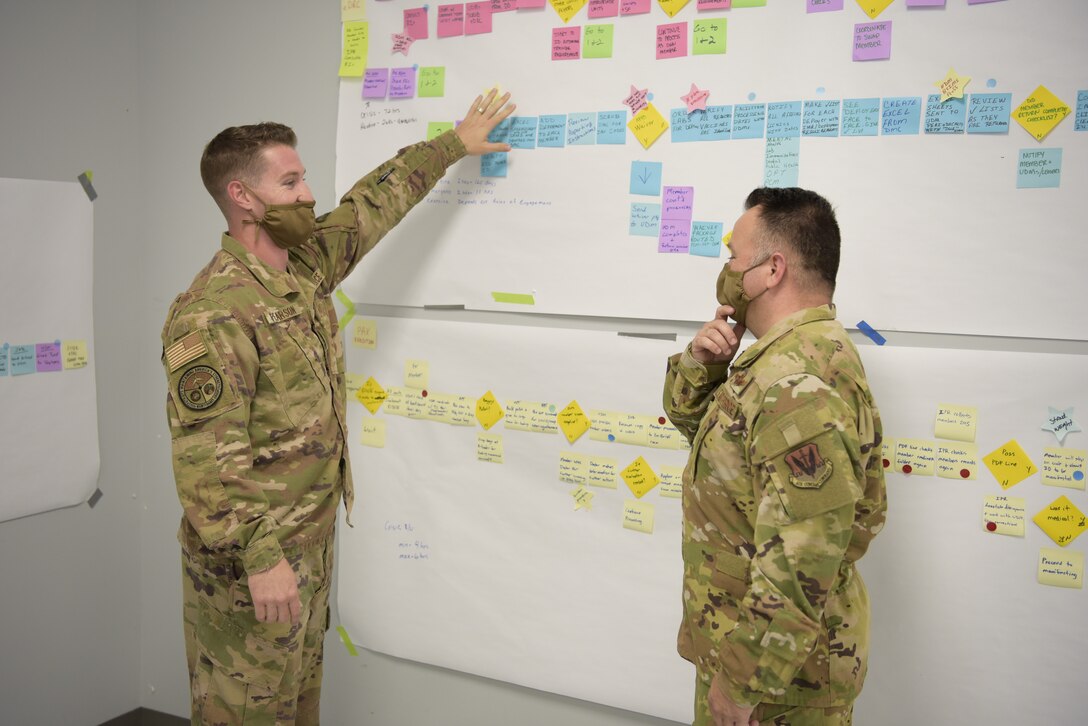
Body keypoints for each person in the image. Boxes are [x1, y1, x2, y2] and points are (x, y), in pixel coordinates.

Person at [161, 89, 515, 725]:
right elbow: (207, 463)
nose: (306, 194)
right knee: (243, 713)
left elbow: (368, 207)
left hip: (306, 549)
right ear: (243, 196)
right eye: (290, 181)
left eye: (304, 179)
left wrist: (452, 145)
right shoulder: (215, 310)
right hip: (253, 566)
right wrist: (262, 558)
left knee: (296, 708)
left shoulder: (301, 269)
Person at [663, 187, 887, 726]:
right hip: (757, 660)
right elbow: (723, 460)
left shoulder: (794, 382)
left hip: (778, 686)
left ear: (772, 269)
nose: (728, 271)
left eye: (735, 259)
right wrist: (704, 363)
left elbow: (802, 553)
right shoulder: (780, 360)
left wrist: (743, 682)